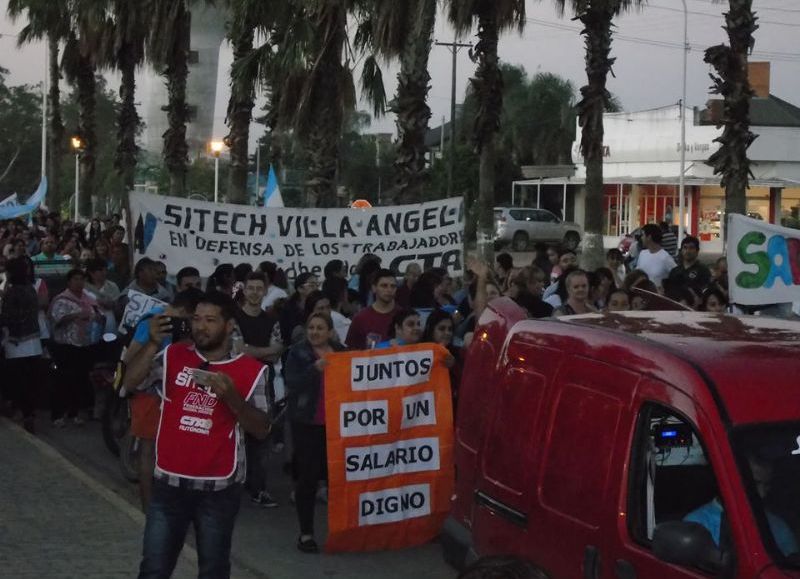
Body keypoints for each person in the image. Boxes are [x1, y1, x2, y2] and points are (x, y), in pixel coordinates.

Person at [125, 291, 271, 579]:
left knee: (213, 570)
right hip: (168, 484)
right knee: (153, 568)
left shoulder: (253, 370)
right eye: (196, 319)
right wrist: (153, 341)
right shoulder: (172, 354)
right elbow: (129, 384)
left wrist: (233, 399)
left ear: (229, 325)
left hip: (218, 490)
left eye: (210, 320)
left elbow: (263, 429)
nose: (200, 327)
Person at [124, 288, 204, 511]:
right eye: (193, 317)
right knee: (148, 450)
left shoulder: (184, 327)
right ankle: (148, 506)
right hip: (149, 394)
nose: (193, 324)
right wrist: (152, 340)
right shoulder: (153, 321)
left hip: (175, 394)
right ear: (185, 311)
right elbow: (129, 358)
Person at [284, 312, 345, 553]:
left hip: (337, 423)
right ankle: (306, 533)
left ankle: (342, 530)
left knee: (338, 478)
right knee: (308, 479)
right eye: (311, 328)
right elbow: (292, 382)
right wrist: (314, 369)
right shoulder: (297, 353)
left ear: (330, 332)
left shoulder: (341, 351)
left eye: (320, 328)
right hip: (307, 423)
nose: (315, 332)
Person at [235, 272, 283, 509]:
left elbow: (277, 351)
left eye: (258, 288)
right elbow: (237, 351)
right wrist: (264, 351)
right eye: (250, 288)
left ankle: (258, 487)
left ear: (264, 291)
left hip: (264, 381)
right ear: (244, 290)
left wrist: (251, 351)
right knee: (235, 433)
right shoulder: (233, 318)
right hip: (237, 380)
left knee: (262, 433)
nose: (254, 292)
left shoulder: (270, 319)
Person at [684, 456, 797, 557]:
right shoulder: (698, 523)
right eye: (755, 484)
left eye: (766, 485)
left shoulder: (776, 525)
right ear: (732, 479)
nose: (762, 494)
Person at [48, 269, 105, 426]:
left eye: (81, 279)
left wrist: (96, 317)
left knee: (80, 379)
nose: (79, 282)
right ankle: (58, 414)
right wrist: (76, 315)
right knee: (64, 380)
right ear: (69, 282)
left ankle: (74, 413)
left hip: (84, 345)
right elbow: (57, 319)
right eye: (75, 279)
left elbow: (99, 315)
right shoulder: (61, 299)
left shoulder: (89, 299)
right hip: (65, 346)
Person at [0, 257, 42, 433]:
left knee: (17, 379)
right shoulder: (31, 289)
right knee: (30, 379)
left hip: (16, 341)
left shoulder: (12, 292)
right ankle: (30, 412)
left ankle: (21, 411)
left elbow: (8, 317)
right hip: (33, 340)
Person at [346, 268, 399, 349]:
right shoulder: (360, 319)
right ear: (374, 288)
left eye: (393, 286)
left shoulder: (404, 314)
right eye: (384, 286)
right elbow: (351, 351)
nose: (389, 290)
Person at [635, 223, 676, 290]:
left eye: (643, 235)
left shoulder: (665, 258)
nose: (641, 238)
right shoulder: (642, 254)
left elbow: (676, 276)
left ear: (649, 237)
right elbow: (637, 274)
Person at [85, 258, 121, 333]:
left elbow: (118, 305)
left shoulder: (112, 286)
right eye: (100, 270)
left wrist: (111, 304)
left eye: (105, 270)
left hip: (110, 318)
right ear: (91, 273)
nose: (104, 273)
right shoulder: (84, 287)